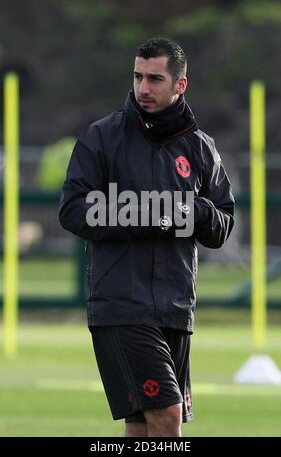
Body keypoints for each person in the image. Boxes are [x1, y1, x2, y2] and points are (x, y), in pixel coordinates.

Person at [59, 37, 234, 437]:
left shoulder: (201, 148)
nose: (143, 88)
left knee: (141, 426)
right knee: (167, 415)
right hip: (121, 304)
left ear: (180, 85)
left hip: (175, 306)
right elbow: (72, 210)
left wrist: (191, 210)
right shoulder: (102, 137)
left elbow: (223, 225)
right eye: (138, 76)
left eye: (155, 78)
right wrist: (148, 213)